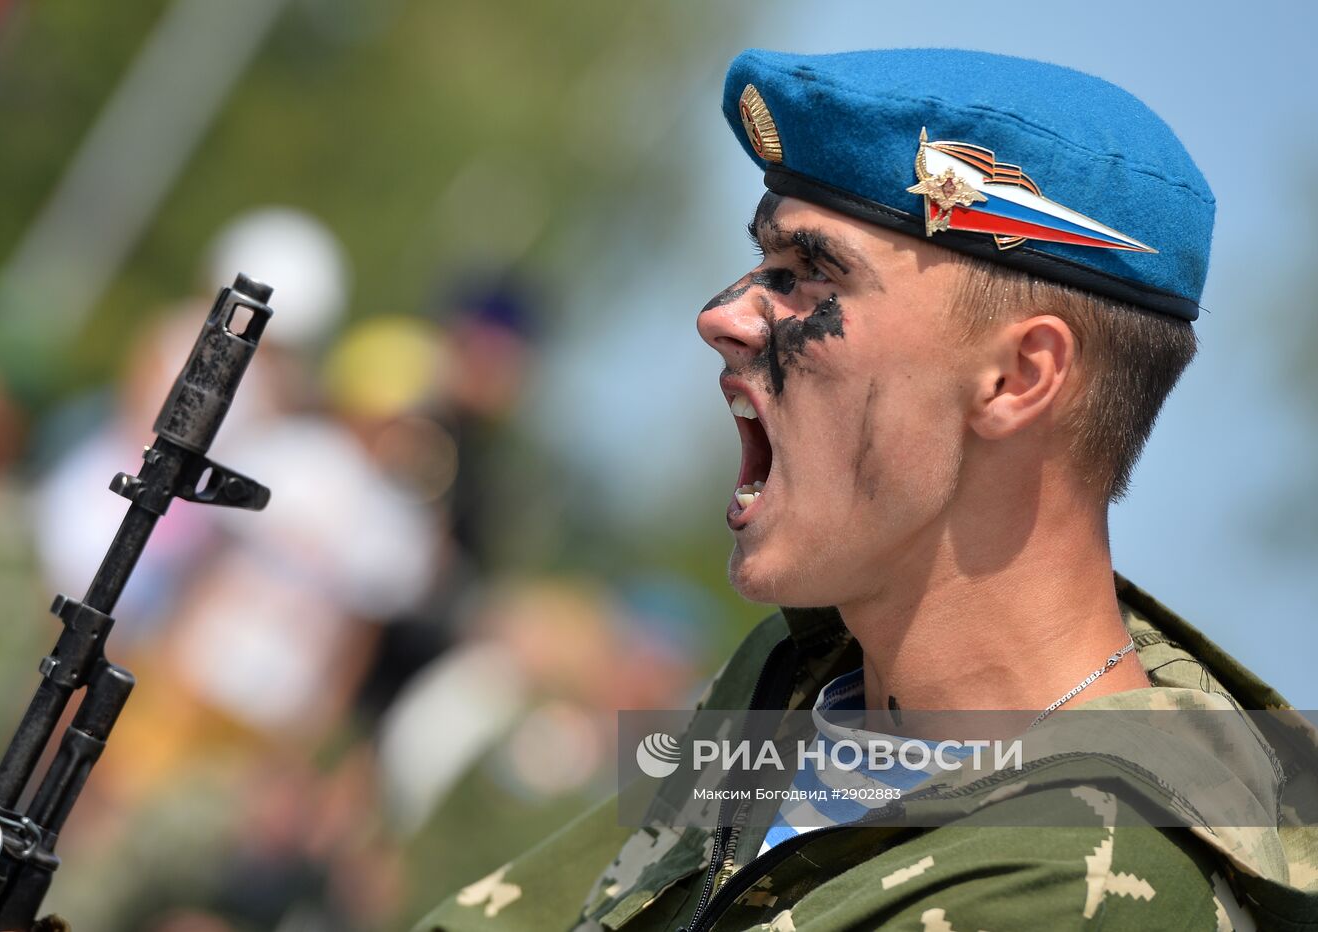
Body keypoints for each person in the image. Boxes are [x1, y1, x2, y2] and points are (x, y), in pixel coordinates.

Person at [412, 49, 1318, 931]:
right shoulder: (790, 678)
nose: (722, 318)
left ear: (1018, 378)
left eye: (808, 274)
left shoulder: (1085, 883)